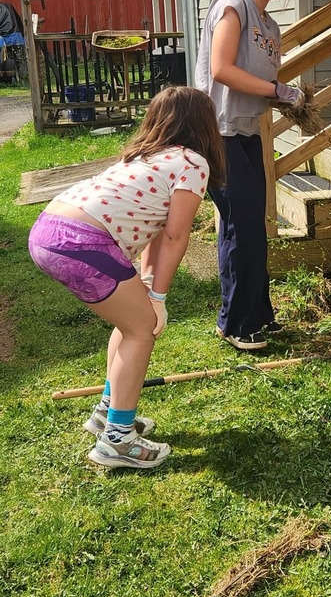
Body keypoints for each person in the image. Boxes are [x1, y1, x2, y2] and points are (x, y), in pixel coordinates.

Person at [28, 85, 226, 470]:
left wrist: (149, 288)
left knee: (130, 320)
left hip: (49, 229)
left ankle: (108, 412)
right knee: (142, 327)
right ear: (204, 125)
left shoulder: (144, 156)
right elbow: (174, 236)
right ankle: (117, 442)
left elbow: (156, 231)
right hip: (82, 243)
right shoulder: (192, 163)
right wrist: (159, 300)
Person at [195, 0, 305, 351]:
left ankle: (254, 314)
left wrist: (288, 96)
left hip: (246, 131)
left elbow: (259, 84)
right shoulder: (234, 5)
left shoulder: (271, 26)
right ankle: (239, 324)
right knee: (242, 228)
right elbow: (221, 69)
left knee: (249, 226)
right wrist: (278, 90)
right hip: (218, 130)